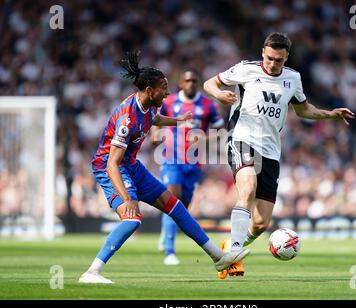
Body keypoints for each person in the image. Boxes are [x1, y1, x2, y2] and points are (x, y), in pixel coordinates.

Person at [78, 52, 249, 284]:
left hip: (131, 166)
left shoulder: (147, 105)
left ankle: (218, 257)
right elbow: (111, 163)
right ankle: (91, 272)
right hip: (111, 168)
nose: (168, 93)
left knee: (175, 206)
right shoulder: (127, 120)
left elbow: (155, 119)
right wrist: (126, 198)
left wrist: (178, 120)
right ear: (150, 90)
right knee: (131, 218)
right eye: (164, 88)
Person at [203, 32, 355, 279]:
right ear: (263, 52)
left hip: (271, 150)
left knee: (261, 223)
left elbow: (304, 110)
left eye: (279, 60)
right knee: (248, 186)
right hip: (241, 138)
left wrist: (330, 114)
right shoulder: (246, 69)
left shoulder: (293, 78)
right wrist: (218, 94)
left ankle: (231, 244)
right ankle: (234, 253)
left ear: (286, 58)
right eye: (270, 58)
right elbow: (210, 83)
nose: (273, 64)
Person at [156, 70, 224, 265]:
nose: (191, 83)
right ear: (180, 83)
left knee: (183, 207)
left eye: (194, 80)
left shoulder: (207, 105)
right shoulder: (169, 103)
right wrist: (154, 134)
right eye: (187, 80)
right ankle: (170, 251)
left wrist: (206, 138)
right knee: (173, 199)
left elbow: (221, 131)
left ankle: (166, 231)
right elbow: (155, 119)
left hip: (194, 162)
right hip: (171, 158)